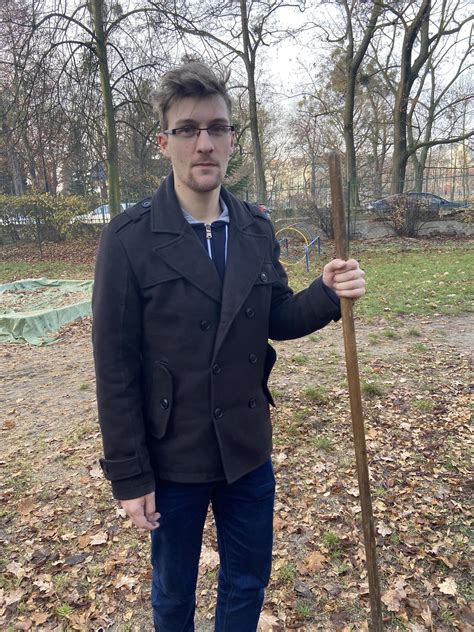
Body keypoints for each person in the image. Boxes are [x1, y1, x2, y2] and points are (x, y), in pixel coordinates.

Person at [92, 60, 365, 632]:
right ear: (163, 141)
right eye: (188, 129)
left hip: (246, 450)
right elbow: (115, 367)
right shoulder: (129, 239)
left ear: (233, 139)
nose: (204, 143)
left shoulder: (254, 228)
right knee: (173, 594)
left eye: (217, 128)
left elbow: (277, 317)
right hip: (173, 458)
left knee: (246, 583)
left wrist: (326, 291)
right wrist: (129, 475)